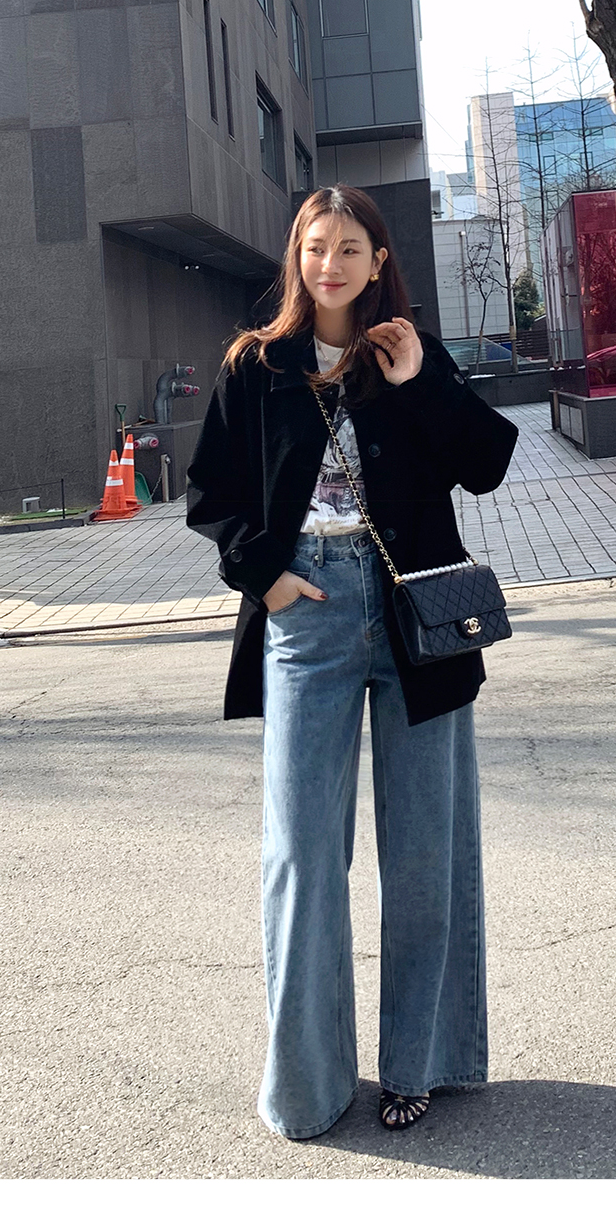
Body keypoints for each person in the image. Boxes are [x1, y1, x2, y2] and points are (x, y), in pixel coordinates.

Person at [184, 184, 518, 1144]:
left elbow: (488, 464)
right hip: (309, 615)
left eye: (349, 248)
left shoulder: (409, 354)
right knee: (301, 855)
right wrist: (266, 575)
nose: (330, 264)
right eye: (315, 246)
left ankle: (422, 1063)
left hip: (415, 614)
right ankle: (309, 1084)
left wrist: (421, 384)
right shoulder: (257, 365)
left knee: (424, 853)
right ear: (297, 256)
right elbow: (211, 493)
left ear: (378, 262)